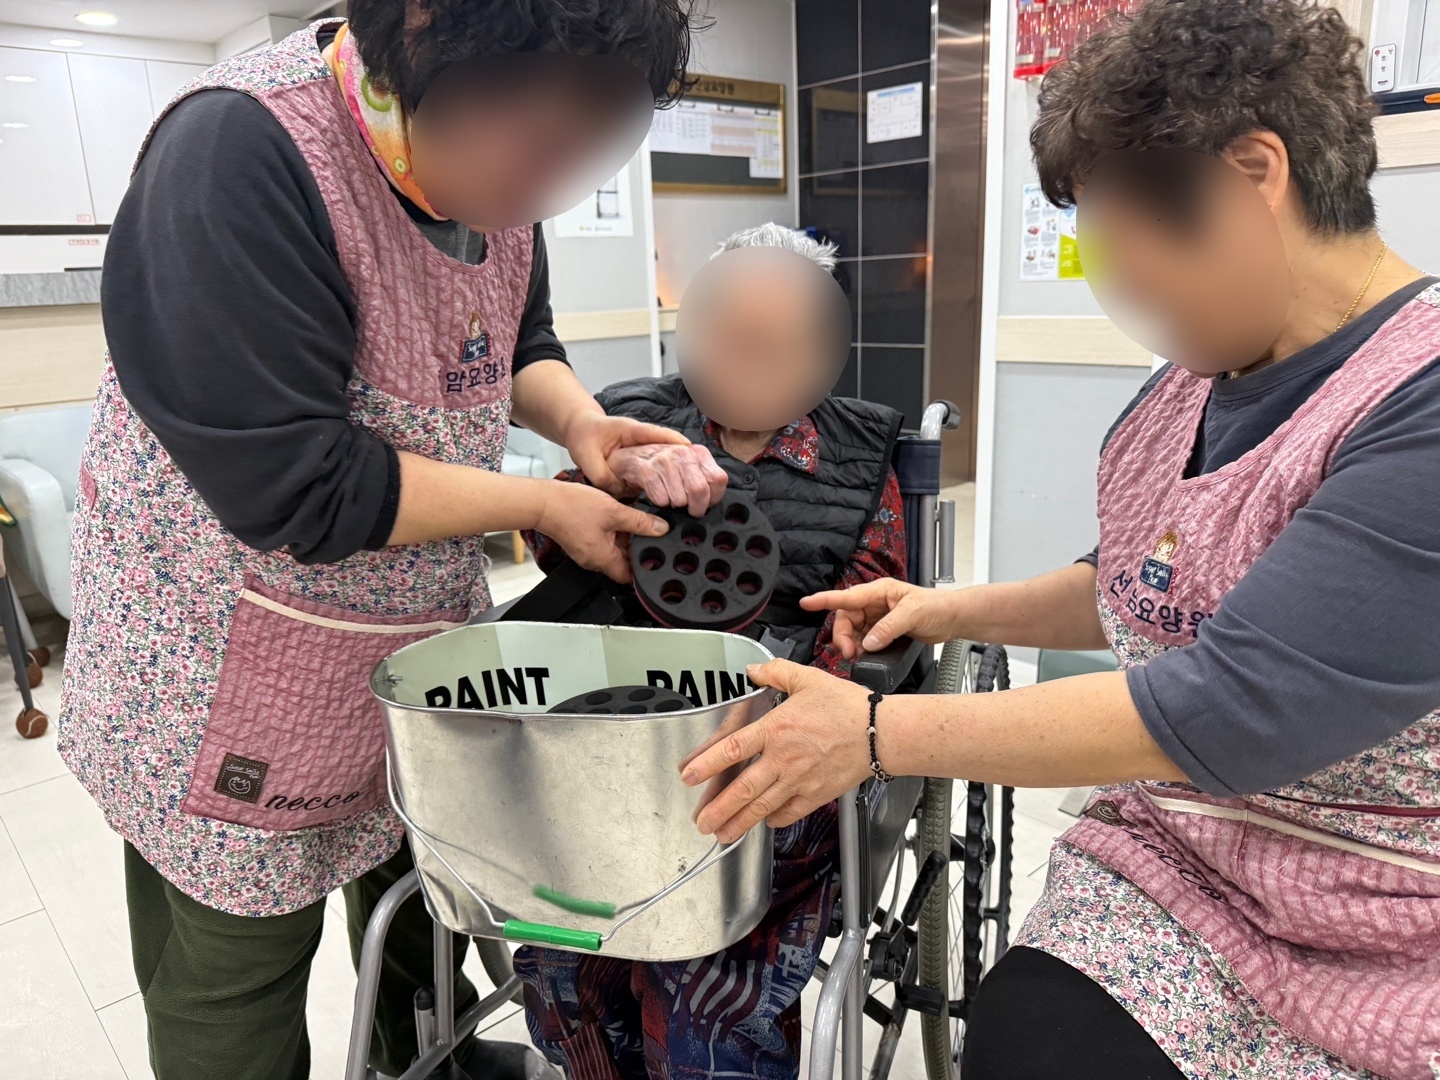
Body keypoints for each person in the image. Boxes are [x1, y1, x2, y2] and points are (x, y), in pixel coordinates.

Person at [681, 2, 1440, 1078]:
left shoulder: (1417, 409)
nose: (1113, 283)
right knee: (1028, 1034)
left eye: (1115, 240)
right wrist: (942, 607)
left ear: (1251, 176)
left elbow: (1233, 702)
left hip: (1380, 906)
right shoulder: (1200, 380)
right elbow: (1136, 583)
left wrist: (879, 733)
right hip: (1178, 861)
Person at [59, 3, 703, 1079]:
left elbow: (518, 340)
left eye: (588, 153)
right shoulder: (238, 154)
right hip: (226, 671)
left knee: (422, 922)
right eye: (540, 150)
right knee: (236, 975)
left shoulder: (495, 174)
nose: (550, 189)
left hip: (412, 653)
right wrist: (541, 505)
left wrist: (584, 427)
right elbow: (297, 484)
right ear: (421, 46)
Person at [512, 224, 909, 1079]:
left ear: (823, 350)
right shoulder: (629, 420)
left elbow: (873, 604)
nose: (747, 361)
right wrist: (610, 499)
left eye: (777, 343)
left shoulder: (859, 452)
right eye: (728, 335)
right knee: (561, 962)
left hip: (765, 744)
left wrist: (833, 662)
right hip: (619, 735)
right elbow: (551, 545)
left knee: (707, 995)